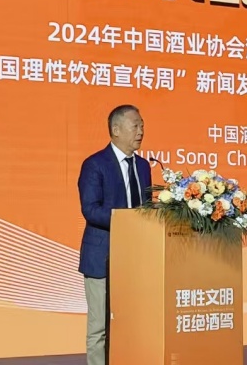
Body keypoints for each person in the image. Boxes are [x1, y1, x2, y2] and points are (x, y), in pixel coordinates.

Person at [77, 104, 152, 365]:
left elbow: (146, 209)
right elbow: (90, 209)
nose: (141, 131)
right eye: (136, 126)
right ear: (116, 130)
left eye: (142, 126)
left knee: (131, 324)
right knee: (99, 328)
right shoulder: (95, 164)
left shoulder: (143, 166)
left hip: (135, 258)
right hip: (102, 256)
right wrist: (127, 221)